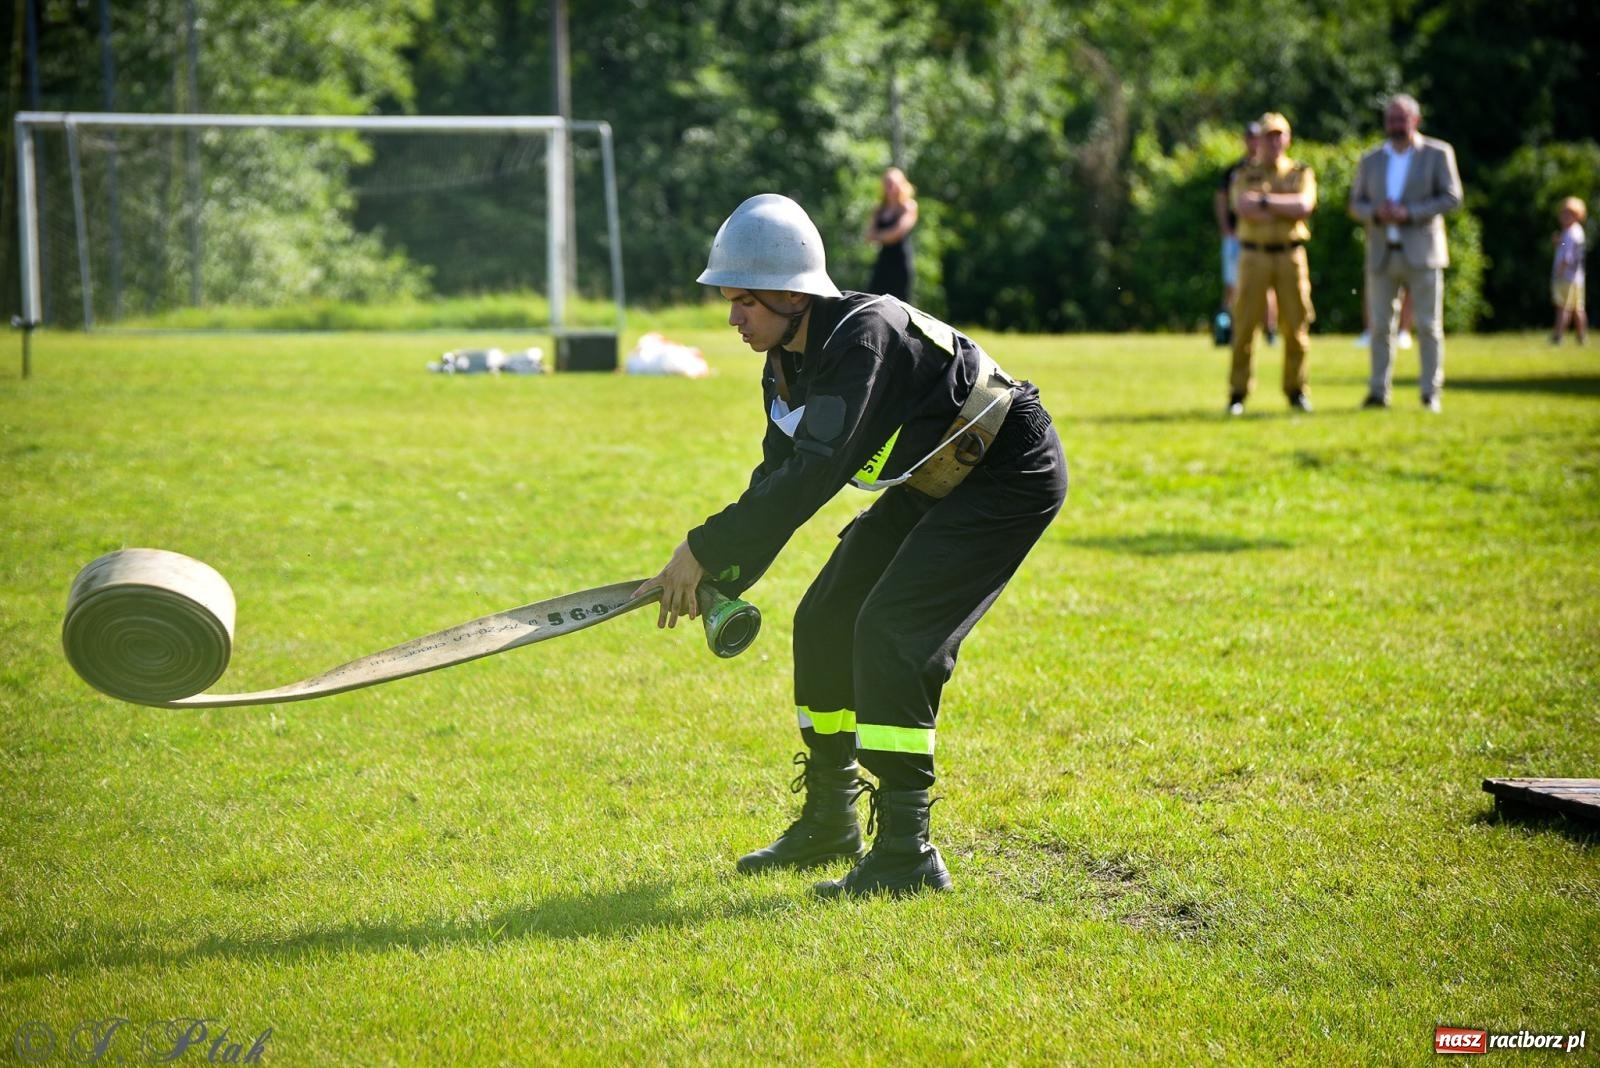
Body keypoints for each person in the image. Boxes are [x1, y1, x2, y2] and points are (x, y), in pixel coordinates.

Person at [635, 194, 1067, 899]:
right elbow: (776, 478)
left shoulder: (862, 336)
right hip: (936, 476)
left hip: (1007, 470)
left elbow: (814, 473)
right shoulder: (785, 364)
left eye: (744, 301)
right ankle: (831, 819)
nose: (732, 317)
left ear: (790, 294)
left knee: (893, 630)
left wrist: (703, 547)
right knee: (826, 618)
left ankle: (907, 853)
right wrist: (718, 573)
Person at [1348, 94, 1463, 413]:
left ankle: (1430, 393)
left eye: (1402, 119)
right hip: (1382, 252)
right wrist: (1377, 213)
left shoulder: (1438, 153)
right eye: (1391, 120)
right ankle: (1377, 392)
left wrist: (1409, 212)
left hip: (1423, 251)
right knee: (1380, 327)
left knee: (1428, 326)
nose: (1396, 126)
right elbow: (1355, 204)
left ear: (1416, 120)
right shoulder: (1371, 159)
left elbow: (1452, 198)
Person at [1226, 112, 1317, 415]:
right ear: (1259, 141)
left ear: (1288, 139)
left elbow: (1304, 206)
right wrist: (1284, 206)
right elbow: (1242, 206)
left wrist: (1265, 202)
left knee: (1297, 324)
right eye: (1269, 136)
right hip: (1254, 255)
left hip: (1291, 255)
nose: (1275, 142)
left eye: (1280, 135)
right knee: (1244, 325)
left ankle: (1296, 390)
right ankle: (1238, 393)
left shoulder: (1300, 172)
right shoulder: (1244, 174)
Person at [1213, 122, 1277, 347]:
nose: (1254, 142)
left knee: (1266, 286)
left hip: (1260, 237)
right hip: (1237, 236)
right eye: (1250, 137)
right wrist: (1226, 229)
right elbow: (1223, 200)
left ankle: (1270, 331)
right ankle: (1226, 328)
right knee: (1232, 285)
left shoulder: (1268, 170)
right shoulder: (1236, 170)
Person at [865, 167, 918, 301]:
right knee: (875, 298)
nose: (890, 187)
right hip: (883, 260)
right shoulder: (879, 209)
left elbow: (897, 233)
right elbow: (869, 234)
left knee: (900, 301)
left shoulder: (908, 206)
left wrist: (879, 236)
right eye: (887, 183)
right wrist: (883, 236)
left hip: (900, 261)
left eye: (893, 183)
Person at [1551, 196, 1588, 346]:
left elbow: (1567, 256)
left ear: (1577, 215)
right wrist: (1560, 242)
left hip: (1566, 276)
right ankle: (1581, 337)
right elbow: (1568, 246)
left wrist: (1559, 271)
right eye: (1564, 213)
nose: (1565, 216)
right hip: (1577, 277)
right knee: (1578, 307)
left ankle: (1558, 336)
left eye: (1569, 214)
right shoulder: (1577, 231)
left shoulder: (1569, 233)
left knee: (1563, 308)